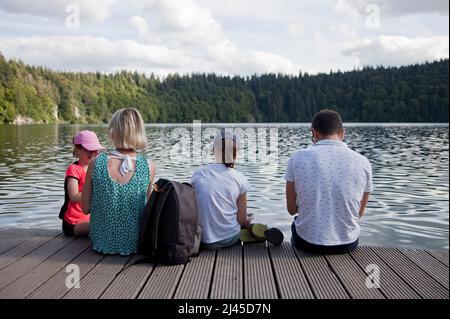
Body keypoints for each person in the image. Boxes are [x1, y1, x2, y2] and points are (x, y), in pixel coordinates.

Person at [285, 109, 373, 254]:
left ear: (314, 133)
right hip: (347, 244)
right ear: (342, 133)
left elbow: (291, 209)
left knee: (296, 222)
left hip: (307, 243)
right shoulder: (363, 162)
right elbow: (358, 214)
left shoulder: (297, 158)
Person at [191, 129, 283, 250]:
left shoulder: (198, 174)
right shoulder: (240, 179)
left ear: (213, 151)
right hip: (229, 239)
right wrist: (244, 220)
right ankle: (251, 230)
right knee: (242, 221)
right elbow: (241, 219)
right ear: (236, 153)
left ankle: (245, 230)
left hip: (203, 239)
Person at [81, 108, 155, 256]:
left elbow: (85, 208)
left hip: (101, 242)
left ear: (113, 131)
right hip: (135, 244)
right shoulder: (149, 167)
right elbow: (150, 213)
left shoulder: (96, 163)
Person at [60, 130, 104, 237]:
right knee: (102, 226)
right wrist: (93, 189)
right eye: (89, 149)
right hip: (73, 223)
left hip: (90, 218)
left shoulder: (96, 169)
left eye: (95, 149)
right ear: (77, 150)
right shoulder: (74, 169)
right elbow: (74, 197)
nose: (93, 152)